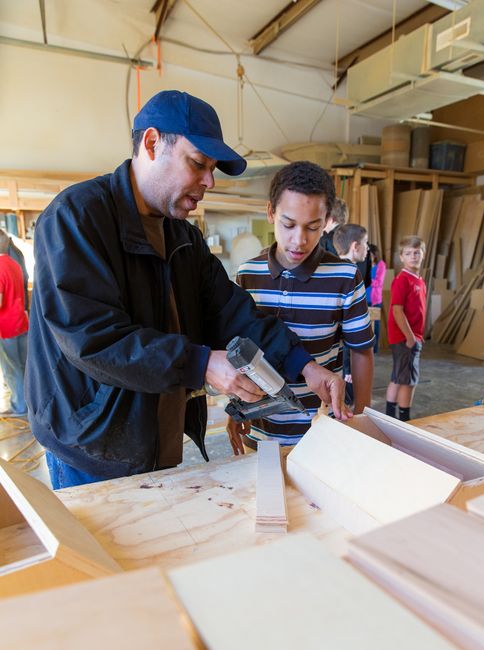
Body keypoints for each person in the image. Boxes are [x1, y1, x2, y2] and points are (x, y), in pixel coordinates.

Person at [26, 90, 348, 489]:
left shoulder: (181, 235)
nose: (209, 181)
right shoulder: (76, 219)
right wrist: (201, 364)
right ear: (151, 143)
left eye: (212, 169)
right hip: (91, 445)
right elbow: (93, 339)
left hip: (154, 437)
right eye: (198, 164)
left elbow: (230, 309)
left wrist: (303, 364)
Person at [226, 162, 374, 455]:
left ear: (328, 221)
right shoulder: (247, 274)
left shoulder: (344, 276)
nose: (299, 240)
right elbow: (238, 350)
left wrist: (361, 414)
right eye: (288, 224)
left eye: (312, 227)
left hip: (323, 432)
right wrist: (235, 408)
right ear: (271, 213)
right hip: (261, 430)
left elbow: (361, 350)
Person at [385, 235, 427, 422]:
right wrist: (410, 337)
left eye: (417, 253)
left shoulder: (419, 280)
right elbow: (396, 310)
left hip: (411, 336)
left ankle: (389, 417)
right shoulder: (403, 280)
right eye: (408, 253)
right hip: (405, 338)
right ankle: (404, 420)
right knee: (408, 381)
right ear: (401, 257)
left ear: (423, 254)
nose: (413, 257)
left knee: (398, 377)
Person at [332, 224, 372, 406]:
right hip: (345, 363)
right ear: (355, 246)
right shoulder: (350, 275)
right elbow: (348, 330)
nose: (368, 248)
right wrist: (349, 369)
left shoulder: (332, 271)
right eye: (366, 243)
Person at [0, 233, 29, 416]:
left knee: (12, 368)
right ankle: (29, 403)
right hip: (21, 322)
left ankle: (19, 407)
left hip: (6, 326)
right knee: (24, 365)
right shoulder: (14, 264)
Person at [366, 243, 386, 354]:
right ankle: (366, 348)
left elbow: (378, 283)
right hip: (363, 298)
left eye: (371, 254)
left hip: (375, 300)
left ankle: (374, 349)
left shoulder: (381, 265)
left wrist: (366, 279)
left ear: (375, 255)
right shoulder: (364, 264)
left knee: (376, 325)